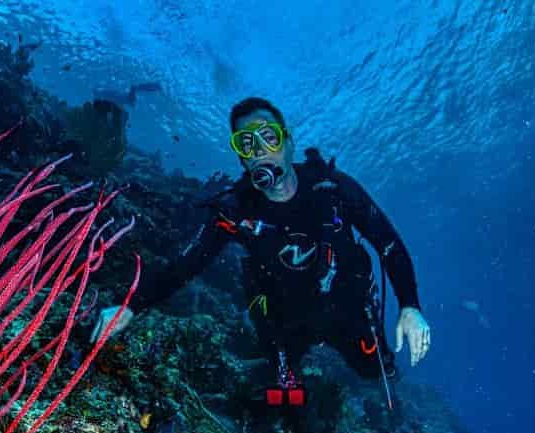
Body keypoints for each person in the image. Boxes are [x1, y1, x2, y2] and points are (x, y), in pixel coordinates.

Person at [91, 97, 431, 394]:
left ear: (289, 142)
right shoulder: (236, 209)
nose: (259, 151)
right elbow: (185, 265)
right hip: (286, 314)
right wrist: (130, 306)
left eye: (269, 137)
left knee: (374, 370)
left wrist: (410, 306)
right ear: (242, 158)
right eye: (246, 143)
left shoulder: (334, 188)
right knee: (281, 387)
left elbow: (388, 242)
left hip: (347, 306)